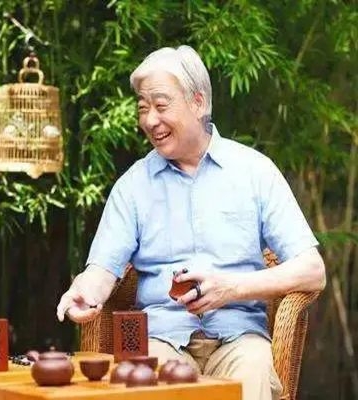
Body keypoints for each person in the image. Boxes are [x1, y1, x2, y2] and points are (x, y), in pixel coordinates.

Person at [56, 45, 326, 400]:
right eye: (143, 108)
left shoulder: (255, 172)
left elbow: (313, 270)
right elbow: (102, 270)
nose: (150, 120)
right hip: (161, 339)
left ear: (198, 103)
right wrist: (85, 290)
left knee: (252, 374)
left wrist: (231, 288)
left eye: (161, 105)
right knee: (146, 381)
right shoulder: (133, 185)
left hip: (239, 338)